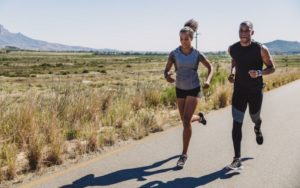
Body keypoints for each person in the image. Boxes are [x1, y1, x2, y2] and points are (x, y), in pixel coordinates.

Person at [164, 19, 213, 168]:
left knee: (185, 121)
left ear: (192, 38)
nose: (184, 41)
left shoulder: (197, 54)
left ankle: (184, 154)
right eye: (181, 39)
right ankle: (199, 117)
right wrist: (168, 76)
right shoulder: (174, 53)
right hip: (180, 88)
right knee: (185, 120)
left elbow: (211, 67)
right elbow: (166, 71)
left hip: (193, 88)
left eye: (186, 39)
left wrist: (208, 80)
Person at [227, 21, 275, 170]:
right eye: (241, 30)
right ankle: (237, 158)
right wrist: (232, 73)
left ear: (252, 32)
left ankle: (257, 127)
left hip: (255, 91)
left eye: (246, 31)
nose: (243, 33)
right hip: (239, 91)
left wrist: (259, 73)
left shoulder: (260, 49)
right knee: (237, 123)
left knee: (255, 117)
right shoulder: (232, 48)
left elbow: (272, 68)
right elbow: (235, 62)